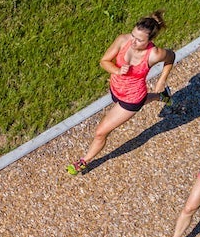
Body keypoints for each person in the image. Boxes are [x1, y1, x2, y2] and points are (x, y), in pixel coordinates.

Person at [67, 11, 177, 175]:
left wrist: (161, 80)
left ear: (150, 41)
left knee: (100, 132)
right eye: (133, 35)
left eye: (139, 40)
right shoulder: (122, 40)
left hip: (132, 98)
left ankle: (84, 161)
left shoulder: (154, 54)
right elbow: (104, 61)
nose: (133, 41)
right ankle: (163, 97)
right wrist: (118, 71)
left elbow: (171, 56)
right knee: (142, 100)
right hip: (116, 88)